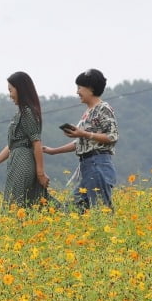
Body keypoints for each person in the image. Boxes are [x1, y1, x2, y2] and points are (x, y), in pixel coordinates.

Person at [43, 68, 118, 211]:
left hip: (98, 165)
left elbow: (112, 136)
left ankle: (108, 233)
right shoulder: (88, 112)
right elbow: (80, 143)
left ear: (90, 89)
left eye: (79, 88)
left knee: (101, 211)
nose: (77, 92)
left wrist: (83, 134)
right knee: (70, 210)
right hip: (87, 166)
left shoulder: (103, 108)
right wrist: (53, 151)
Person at [0, 71, 54, 208]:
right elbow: (12, 145)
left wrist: (40, 173)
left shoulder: (28, 112)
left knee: (15, 204)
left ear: (20, 89)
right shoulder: (21, 113)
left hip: (23, 163)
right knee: (21, 204)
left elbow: (36, 142)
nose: (10, 95)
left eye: (10, 90)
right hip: (16, 160)